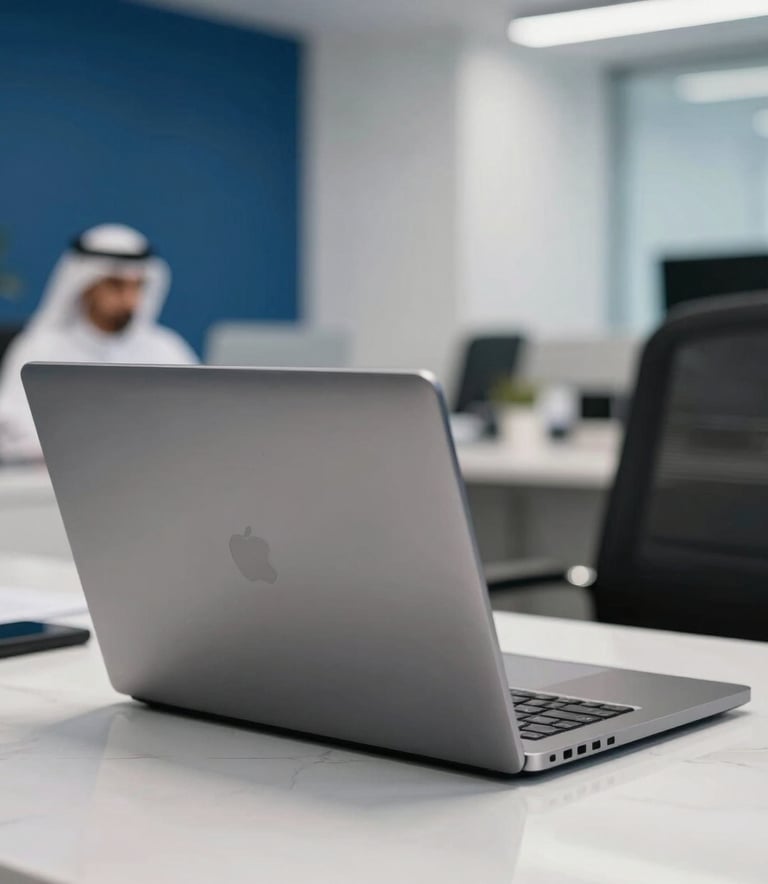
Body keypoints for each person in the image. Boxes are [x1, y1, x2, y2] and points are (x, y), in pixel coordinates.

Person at [0, 224, 197, 461]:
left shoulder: (166, 348)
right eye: (115, 285)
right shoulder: (40, 347)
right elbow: (11, 425)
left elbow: (196, 418)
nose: (129, 300)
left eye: (138, 286)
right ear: (86, 286)